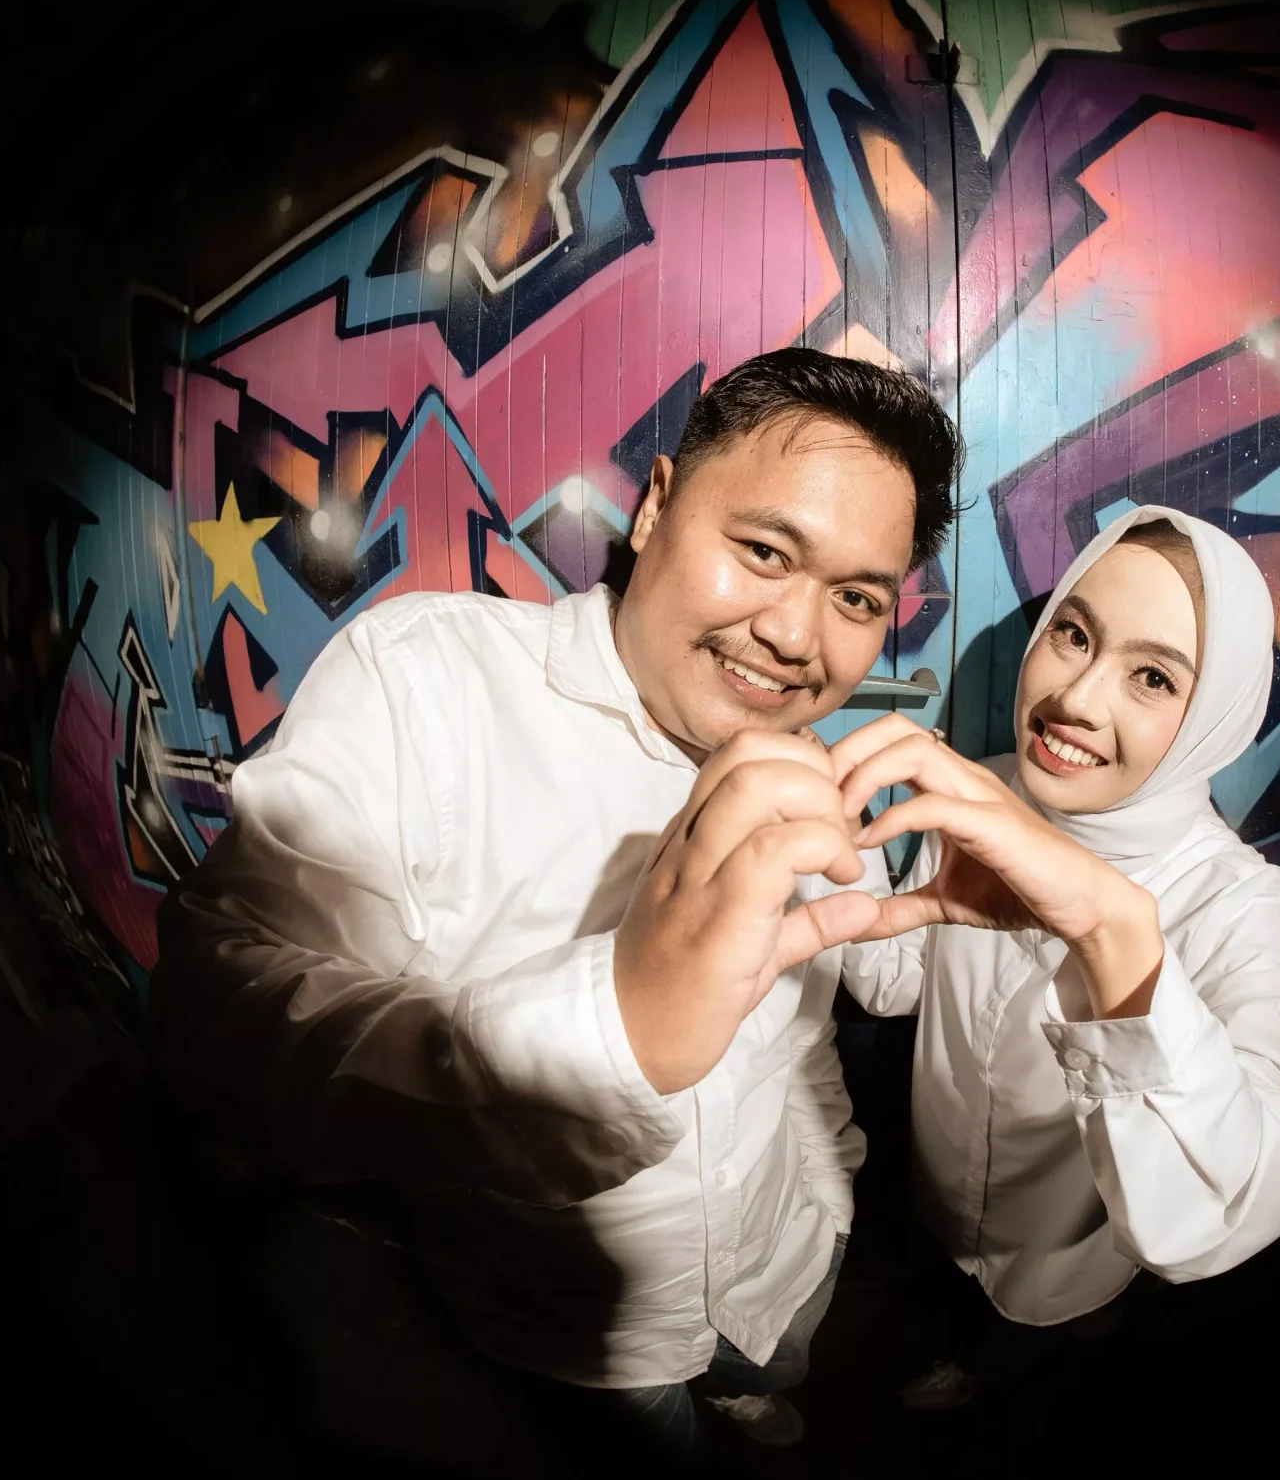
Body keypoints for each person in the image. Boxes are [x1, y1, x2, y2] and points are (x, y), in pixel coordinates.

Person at [152, 349, 961, 1457]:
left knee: (767, 1383)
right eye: (765, 552)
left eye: (856, 598)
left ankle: (750, 1395)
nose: (795, 635)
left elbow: (811, 1016)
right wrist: (613, 1028)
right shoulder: (431, 684)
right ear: (658, 506)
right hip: (582, 1334)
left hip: (784, 1270)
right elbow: (213, 1012)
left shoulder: (805, 759)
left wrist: (830, 1187)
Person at [827, 506, 1280, 1415]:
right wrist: (834, 840)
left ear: (1214, 718)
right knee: (946, 1292)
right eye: (1075, 634)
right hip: (937, 1187)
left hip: (1064, 1253)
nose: (1078, 700)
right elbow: (896, 982)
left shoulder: (1234, 902)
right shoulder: (982, 791)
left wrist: (1110, 934)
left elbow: (1242, 1201)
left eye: (1152, 677)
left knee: (1036, 1343)